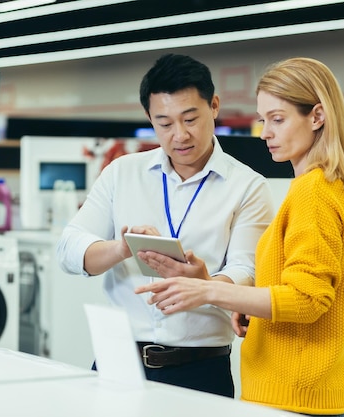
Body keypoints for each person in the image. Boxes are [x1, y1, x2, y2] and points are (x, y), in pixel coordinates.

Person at [135, 57, 344, 416]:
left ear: (317, 116)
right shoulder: (329, 187)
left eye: (278, 119)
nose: (267, 133)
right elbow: (299, 289)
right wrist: (249, 305)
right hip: (306, 391)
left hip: (292, 394)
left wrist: (208, 290)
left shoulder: (313, 192)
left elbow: (308, 300)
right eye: (263, 121)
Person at [56, 53, 275, 398]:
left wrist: (203, 282)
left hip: (201, 370)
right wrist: (121, 247)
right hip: (117, 362)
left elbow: (247, 270)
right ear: (149, 118)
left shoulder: (248, 186)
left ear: (214, 106)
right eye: (165, 123)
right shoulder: (122, 173)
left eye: (191, 119)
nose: (180, 135)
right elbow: (68, 249)